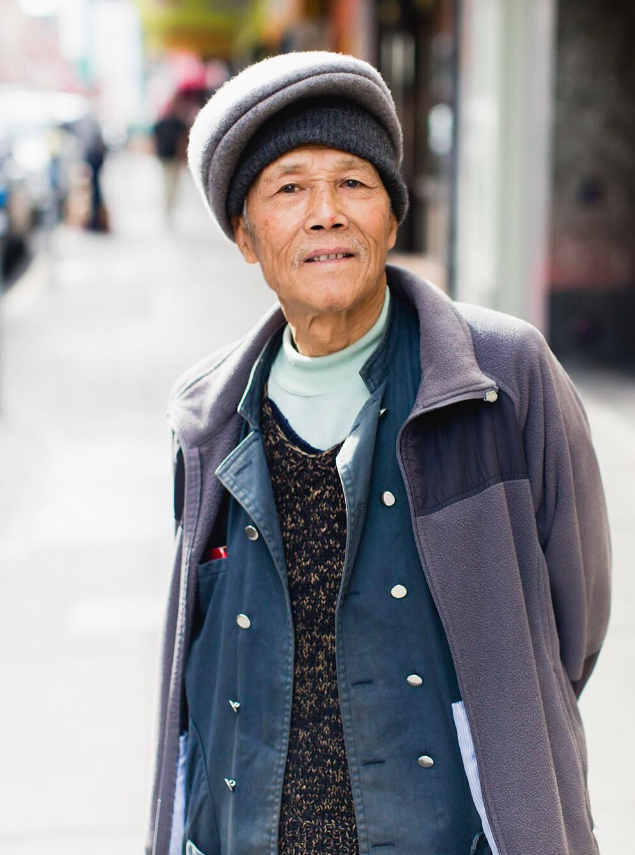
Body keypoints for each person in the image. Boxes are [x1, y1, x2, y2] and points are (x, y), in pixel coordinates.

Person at [145, 51, 611, 855]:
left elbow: (574, 619)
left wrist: (505, 733)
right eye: (289, 188)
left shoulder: (503, 376)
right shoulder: (208, 414)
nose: (326, 213)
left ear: (392, 220)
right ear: (245, 235)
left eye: (354, 183)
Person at [152, 93, 191, 227]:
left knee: (172, 183)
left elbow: (183, 140)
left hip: (171, 157)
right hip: (167, 157)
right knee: (169, 183)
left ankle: (169, 206)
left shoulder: (176, 123)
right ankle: (168, 207)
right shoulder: (168, 123)